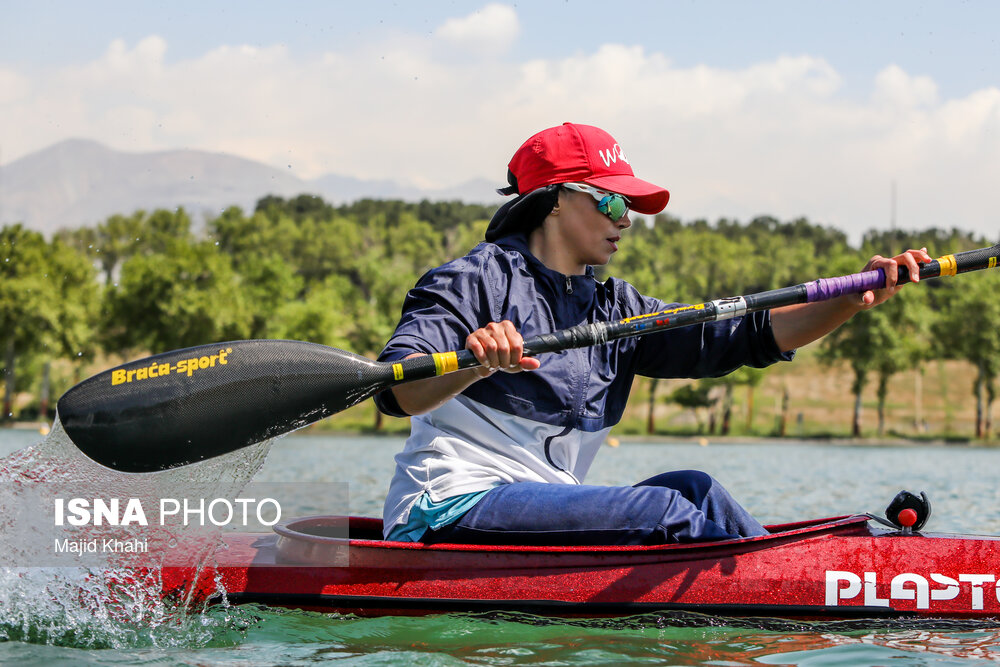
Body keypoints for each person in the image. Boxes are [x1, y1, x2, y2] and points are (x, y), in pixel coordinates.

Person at [374, 122, 929, 546]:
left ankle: (803, 584)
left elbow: (748, 336)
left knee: (695, 489)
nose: (626, 220)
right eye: (613, 201)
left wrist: (853, 299)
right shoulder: (471, 281)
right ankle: (788, 606)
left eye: (630, 207)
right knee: (660, 514)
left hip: (541, 504)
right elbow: (397, 391)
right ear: (555, 200)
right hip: (445, 508)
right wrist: (474, 361)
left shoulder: (619, 308)